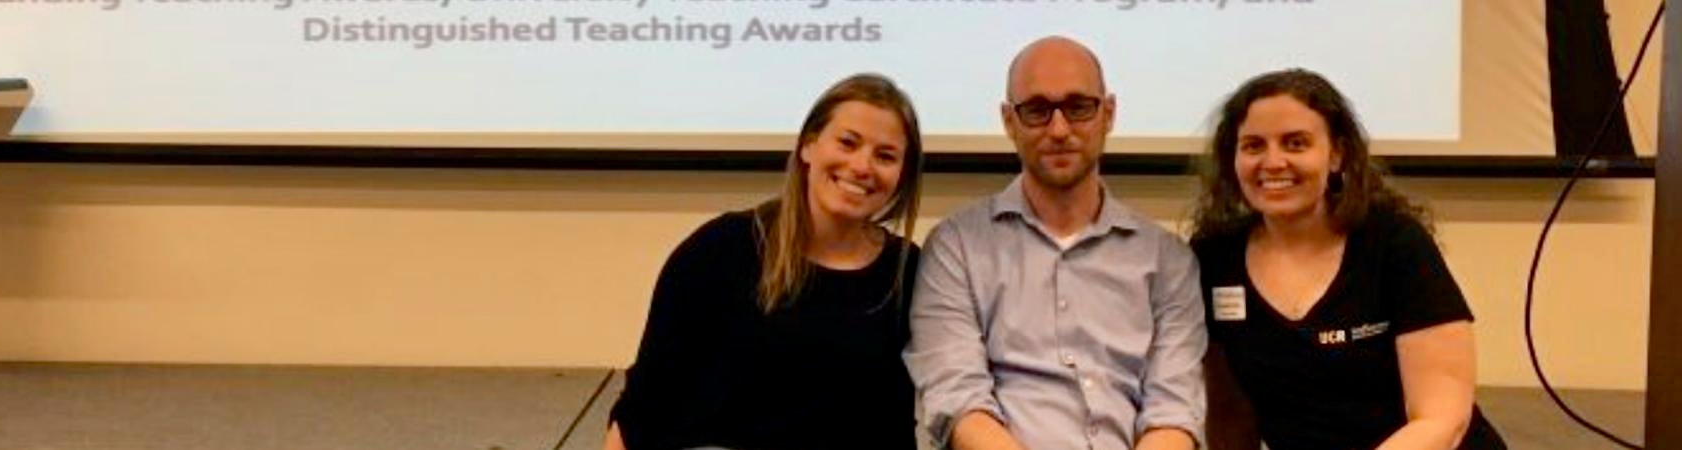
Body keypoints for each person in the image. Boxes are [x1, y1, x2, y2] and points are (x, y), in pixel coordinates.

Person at [905, 36, 1207, 450]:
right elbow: (958, 402)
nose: (1059, 129)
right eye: (1037, 111)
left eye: (1079, 107)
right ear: (1009, 121)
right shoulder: (956, 247)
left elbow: (1174, 412)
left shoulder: (1168, 260)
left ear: (1109, 113)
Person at [603, 73, 927, 450]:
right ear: (808, 146)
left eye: (885, 156)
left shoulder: (906, 273)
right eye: (847, 143)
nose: (861, 166)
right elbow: (644, 403)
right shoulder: (720, 249)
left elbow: (894, 428)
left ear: (902, 176)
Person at [1188, 68, 1507, 450]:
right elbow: (1229, 415)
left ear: (1336, 154)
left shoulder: (1394, 243)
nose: (1273, 163)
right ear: (1233, 159)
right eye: (1254, 146)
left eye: (1295, 143)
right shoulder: (1214, 256)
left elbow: (1443, 420)